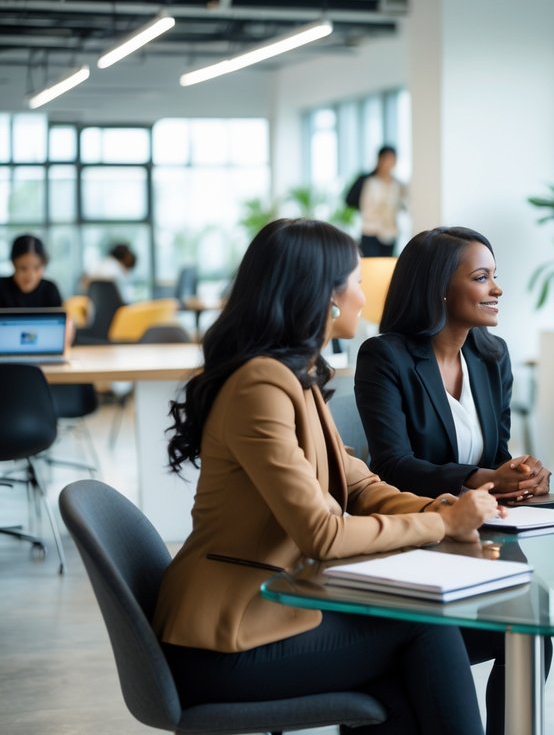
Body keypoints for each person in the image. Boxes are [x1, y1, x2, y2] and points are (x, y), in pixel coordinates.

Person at [154, 218, 499, 735]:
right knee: (427, 631)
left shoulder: (295, 377)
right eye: (357, 281)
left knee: (424, 655)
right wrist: (443, 526)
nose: (364, 296)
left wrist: (439, 509)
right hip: (224, 640)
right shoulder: (261, 385)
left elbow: (357, 485)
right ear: (325, 296)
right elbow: (323, 532)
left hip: (269, 610)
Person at [355, 225, 552, 735]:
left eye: (495, 276)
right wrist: (483, 476)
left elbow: (498, 454)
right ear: (439, 287)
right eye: (482, 277)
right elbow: (392, 464)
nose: (497, 290)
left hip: (482, 544)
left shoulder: (492, 356)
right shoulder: (385, 357)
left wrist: (521, 473)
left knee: (531, 627)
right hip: (413, 545)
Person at [353, 146, 407, 257]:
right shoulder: (370, 182)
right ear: (380, 160)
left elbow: (401, 206)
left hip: (391, 233)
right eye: (387, 159)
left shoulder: (397, 185)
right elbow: (366, 209)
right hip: (371, 232)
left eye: (392, 159)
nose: (389, 163)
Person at [0, 234, 63, 308]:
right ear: (13, 264)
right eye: (23, 268)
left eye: (37, 268)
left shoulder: (50, 290)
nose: (30, 275)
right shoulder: (1, 287)